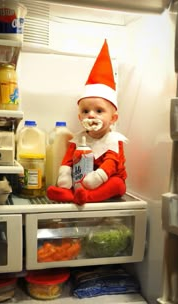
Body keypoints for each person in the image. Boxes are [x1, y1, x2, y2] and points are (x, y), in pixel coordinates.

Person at [47, 39, 127, 205]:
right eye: (85, 111)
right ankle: (67, 193)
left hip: (106, 179)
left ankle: (86, 197)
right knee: (71, 182)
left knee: (117, 185)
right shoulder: (78, 139)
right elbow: (68, 159)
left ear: (113, 119)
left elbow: (111, 163)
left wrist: (98, 177)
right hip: (82, 181)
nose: (91, 115)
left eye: (99, 111)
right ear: (79, 117)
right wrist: (64, 175)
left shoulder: (113, 141)